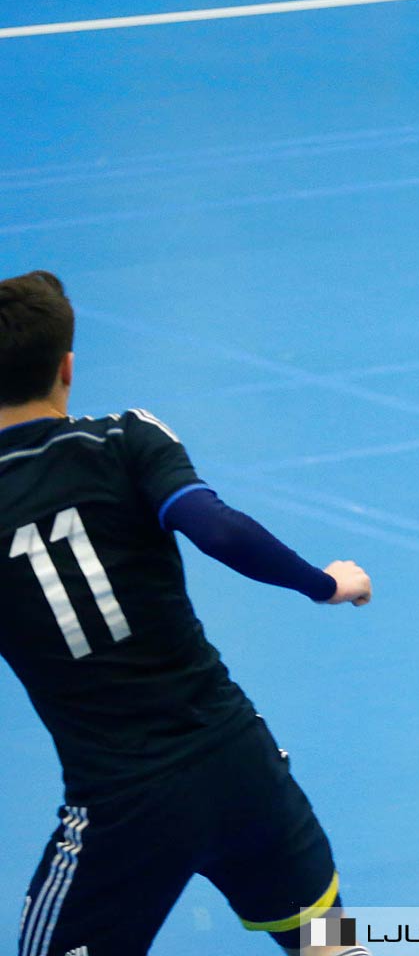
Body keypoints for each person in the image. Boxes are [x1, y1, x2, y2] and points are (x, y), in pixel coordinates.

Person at [0, 271, 373, 956]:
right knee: (331, 945)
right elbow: (220, 530)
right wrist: (323, 584)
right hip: (240, 765)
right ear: (67, 368)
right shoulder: (127, 440)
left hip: (121, 804)